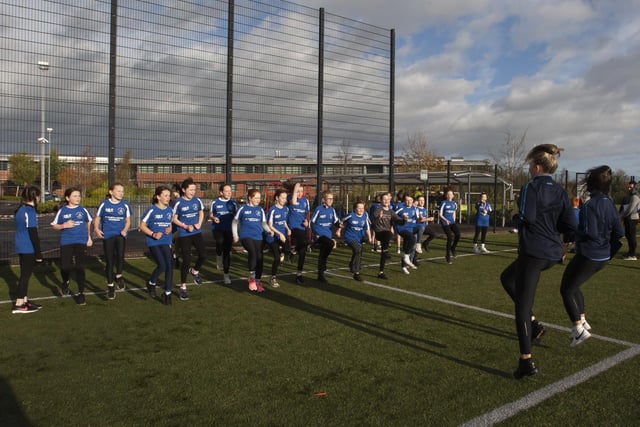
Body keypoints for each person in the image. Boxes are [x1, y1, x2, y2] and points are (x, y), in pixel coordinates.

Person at [500, 144, 576, 379]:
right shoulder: (561, 191)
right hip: (552, 253)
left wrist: (515, 218)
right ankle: (533, 324)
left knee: (522, 306)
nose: (529, 167)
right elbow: (570, 225)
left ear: (538, 166)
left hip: (534, 253)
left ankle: (526, 361)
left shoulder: (530, 188)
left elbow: (527, 217)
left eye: (530, 164)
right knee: (507, 278)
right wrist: (564, 246)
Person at [560, 166, 625, 347]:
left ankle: (578, 330)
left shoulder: (589, 205)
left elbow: (591, 232)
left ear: (591, 183)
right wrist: (607, 249)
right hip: (602, 256)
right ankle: (583, 320)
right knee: (575, 285)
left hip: (590, 254)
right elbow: (619, 231)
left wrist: (574, 237)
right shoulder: (609, 202)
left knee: (566, 289)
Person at [51, 187, 93, 305]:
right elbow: (54, 225)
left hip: (80, 241)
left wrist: (89, 237)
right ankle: (65, 282)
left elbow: (90, 221)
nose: (78, 198)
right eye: (75, 196)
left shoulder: (83, 210)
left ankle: (81, 294)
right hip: (66, 241)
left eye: (79, 196)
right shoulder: (62, 211)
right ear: (67, 198)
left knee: (80, 267)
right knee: (65, 267)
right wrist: (64, 225)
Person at [94, 182, 131, 300]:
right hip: (108, 235)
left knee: (120, 256)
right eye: (119, 191)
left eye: (122, 191)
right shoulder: (104, 204)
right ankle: (110, 285)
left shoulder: (125, 205)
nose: (121, 193)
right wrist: (96, 229)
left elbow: (128, 221)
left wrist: (125, 230)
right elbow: (98, 218)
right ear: (111, 192)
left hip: (120, 235)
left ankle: (119, 275)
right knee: (109, 261)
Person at [139, 186, 174, 305]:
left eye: (169, 196)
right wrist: (153, 234)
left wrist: (170, 228)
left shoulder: (170, 210)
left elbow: (169, 224)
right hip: (154, 242)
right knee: (162, 266)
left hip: (166, 241)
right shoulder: (152, 210)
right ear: (158, 197)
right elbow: (142, 226)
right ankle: (151, 283)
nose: (168, 198)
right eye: (165, 195)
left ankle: (167, 293)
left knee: (170, 266)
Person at [172, 177, 206, 300]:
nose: (193, 192)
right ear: (183, 190)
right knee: (186, 260)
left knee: (203, 255)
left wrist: (198, 224)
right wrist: (185, 226)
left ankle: (195, 271)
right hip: (184, 234)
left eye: (194, 189)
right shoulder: (179, 203)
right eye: (190, 189)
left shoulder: (197, 201)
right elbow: (174, 219)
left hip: (196, 232)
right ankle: (183, 287)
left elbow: (201, 212)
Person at [232, 189, 272, 292]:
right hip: (246, 236)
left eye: (259, 198)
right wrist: (235, 235)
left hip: (258, 236)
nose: (258, 200)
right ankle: (252, 278)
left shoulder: (260, 210)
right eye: (256, 198)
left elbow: (263, 224)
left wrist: (269, 231)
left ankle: (258, 282)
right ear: (250, 197)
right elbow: (234, 222)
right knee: (253, 253)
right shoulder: (243, 209)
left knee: (260, 258)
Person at [12, 186, 43, 313]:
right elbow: (33, 232)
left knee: (25, 275)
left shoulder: (20, 209)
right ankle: (19, 303)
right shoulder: (29, 211)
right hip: (27, 247)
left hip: (21, 245)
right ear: (35, 197)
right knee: (25, 276)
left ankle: (24, 300)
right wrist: (38, 253)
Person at [370, 192, 406, 279]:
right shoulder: (378, 210)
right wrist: (378, 217)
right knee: (389, 233)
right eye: (384, 199)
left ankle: (381, 272)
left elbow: (398, 221)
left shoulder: (390, 211)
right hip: (379, 233)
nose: (386, 201)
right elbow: (372, 221)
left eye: (388, 199)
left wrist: (404, 220)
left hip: (386, 234)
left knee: (384, 252)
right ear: (381, 201)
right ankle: (384, 250)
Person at [210, 183, 238, 285]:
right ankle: (218, 256)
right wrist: (213, 218)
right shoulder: (215, 202)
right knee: (219, 241)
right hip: (217, 228)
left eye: (230, 191)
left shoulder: (233, 203)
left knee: (227, 252)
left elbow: (237, 216)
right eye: (226, 191)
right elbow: (211, 214)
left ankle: (226, 275)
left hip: (229, 230)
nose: (229, 193)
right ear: (221, 192)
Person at [310, 191, 341, 283]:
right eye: (329, 198)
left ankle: (320, 275)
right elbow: (312, 222)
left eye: (332, 199)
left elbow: (336, 221)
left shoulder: (332, 210)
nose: (331, 200)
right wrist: (315, 233)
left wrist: (340, 225)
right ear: (324, 199)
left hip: (327, 235)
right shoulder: (319, 209)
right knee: (331, 243)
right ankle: (315, 244)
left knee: (323, 254)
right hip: (319, 235)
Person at [266, 189, 292, 288]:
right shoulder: (272, 209)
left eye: (285, 198)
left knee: (288, 250)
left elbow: (284, 221)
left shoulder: (286, 209)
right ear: (277, 198)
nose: (284, 200)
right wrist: (279, 233)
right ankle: (273, 278)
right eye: (282, 198)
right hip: (272, 237)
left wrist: (287, 228)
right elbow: (270, 225)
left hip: (282, 235)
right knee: (276, 258)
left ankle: (283, 252)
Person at [286, 181, 310, 284]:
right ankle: (294, 250)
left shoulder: (306, 201)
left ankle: (299, 274)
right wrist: (295, 187)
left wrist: (307, 222)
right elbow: (294, 202)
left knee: (303, 251)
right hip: (293, 227)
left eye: (302, 191)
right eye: (298, 191)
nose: (300, 193)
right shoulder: (290, 197)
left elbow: (307, 213)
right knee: (305, 241)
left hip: (302, 227)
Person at [341, 200, 372, 281]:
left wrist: (370, 237)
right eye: (359, 208)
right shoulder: (351, 215)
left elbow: (367, 227)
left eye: (362, 208)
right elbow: (341, 221)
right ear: (355, 209)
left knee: (358, 251)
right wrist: (338, 229)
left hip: (359, 237)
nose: (361, 210)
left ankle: (352, 264)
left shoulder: (365, 215)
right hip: (349, 237)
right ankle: (356, 272)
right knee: (357, 249)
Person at [395, 194, 419, 274]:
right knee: (412, 239)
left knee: (406, 246)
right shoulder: (400, 207)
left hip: (410, 228)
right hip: (401, 228)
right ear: (404, 201)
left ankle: (403, 266)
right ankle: (407, 255)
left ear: (413, 201)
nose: (408, 202)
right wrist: (401, 219)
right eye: (407, 200)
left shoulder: (414, 208)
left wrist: (423, 219)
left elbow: (417, 218)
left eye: (410, 200)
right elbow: (393, 216)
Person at [439, 189, 460, 265]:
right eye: (448, 194)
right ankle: (447, 256)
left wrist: (453, 221)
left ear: (453, 195)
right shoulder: (443, 203)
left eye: (451, 194)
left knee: (458, 234)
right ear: (446, 195)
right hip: (444, 222)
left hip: (452, 222)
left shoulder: (454, 203)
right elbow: (440, 215)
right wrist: (446, 220)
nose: (449, 196)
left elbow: (454, 212)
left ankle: (453, 248)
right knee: (450, 237)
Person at [619, 180, 639, 260]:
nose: (629, 188)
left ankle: (632, 254)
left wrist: (623, 216)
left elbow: (630, 209)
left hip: (632, 218)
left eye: (631, 187)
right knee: (628, 236)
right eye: (628, 186)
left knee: (631, 236)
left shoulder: (635, 196)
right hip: (628, 218)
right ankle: (630, 252)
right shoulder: (628, 197)